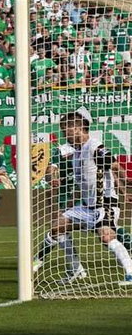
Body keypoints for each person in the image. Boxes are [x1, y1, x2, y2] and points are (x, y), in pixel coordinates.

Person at [33, 110, 132, 285]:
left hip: (105, 204)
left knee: (106, 237)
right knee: (58, 227)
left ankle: (130, 272)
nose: (64, 134)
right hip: (86, 206)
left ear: (77, 128)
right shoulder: (75, 153)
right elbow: (84, 185)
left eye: (66, 130)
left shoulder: (95, 146)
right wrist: (71, 205)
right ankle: (75, 269)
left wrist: (127, 187)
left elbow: (115, 166)